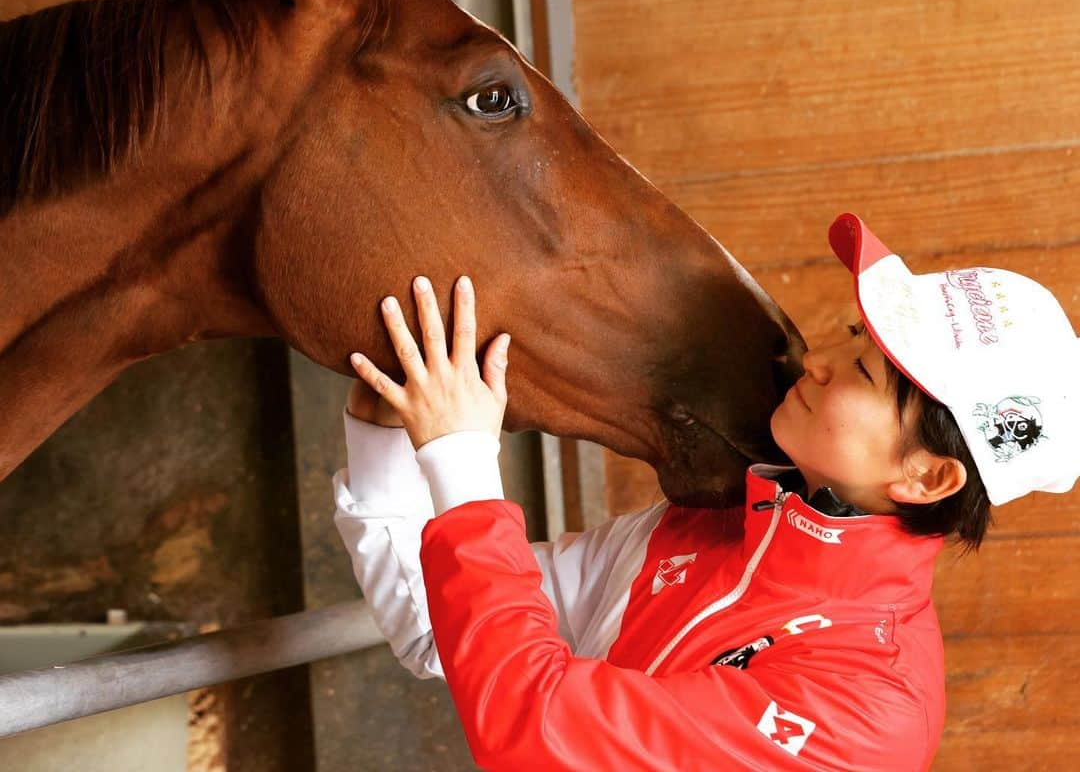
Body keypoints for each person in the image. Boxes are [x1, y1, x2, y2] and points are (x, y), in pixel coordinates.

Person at [333, 212, 1078, 770]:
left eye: (865, 372)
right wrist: (385, 444)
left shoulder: (868, 707)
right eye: (854, 336)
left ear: (927, 476)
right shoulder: (719, 529)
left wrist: (462, 457)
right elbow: (447, 632)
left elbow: (533, 729)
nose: (816, 361)